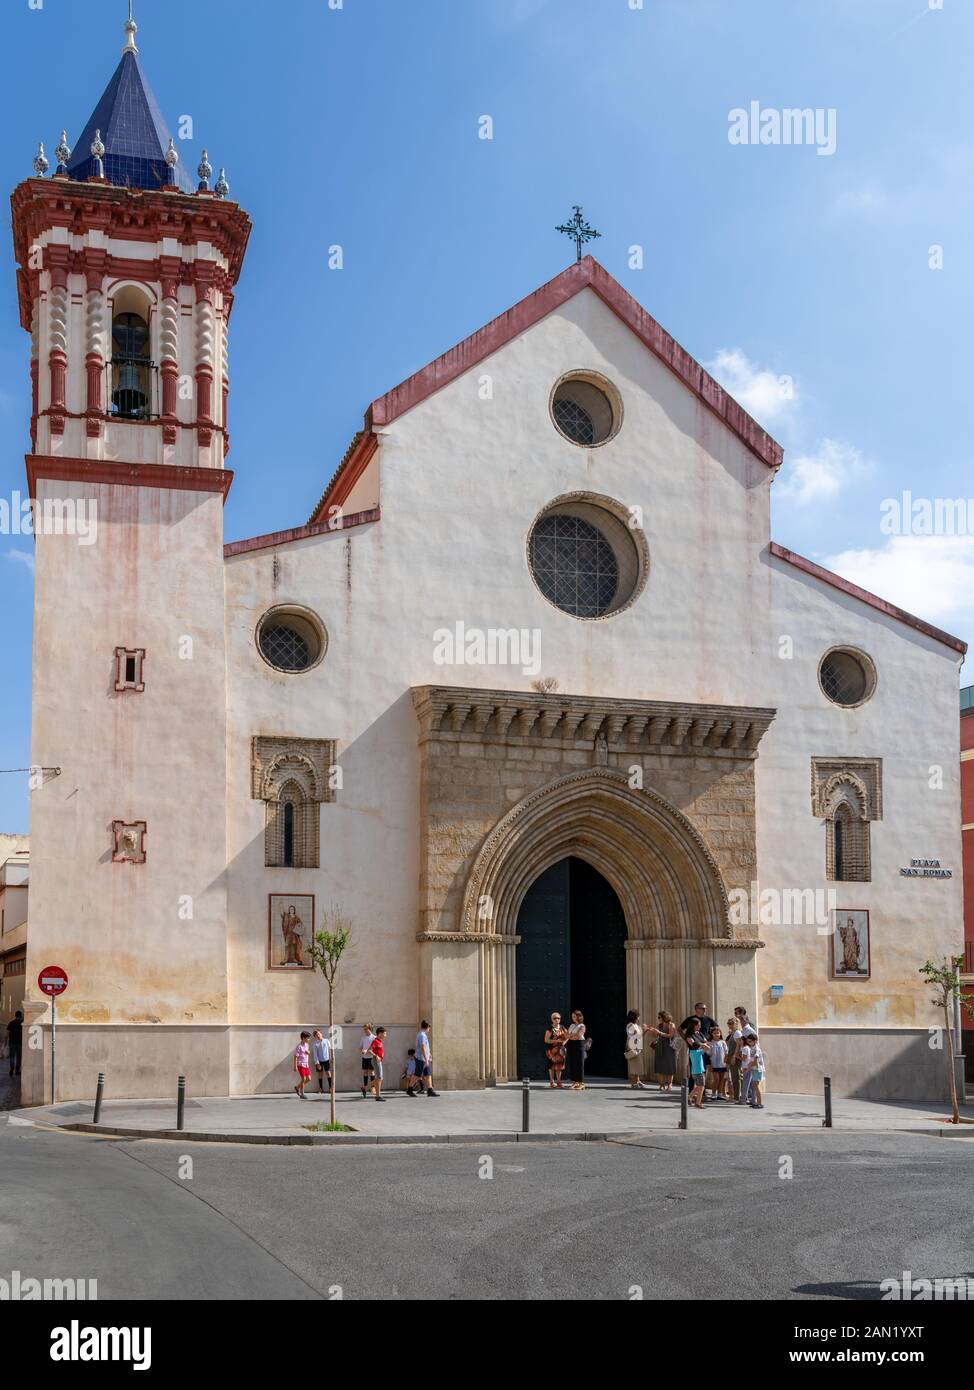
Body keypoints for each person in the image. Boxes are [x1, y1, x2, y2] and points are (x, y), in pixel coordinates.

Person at [646, 1011, 677, 1091]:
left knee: (669, 1066)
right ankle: (662, 1084)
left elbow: (671, 1035)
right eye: (658, 1017)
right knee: (660, 1066)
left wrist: (660, 1033)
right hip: (660, 1047)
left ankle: (670, 1084)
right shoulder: (659, 1025)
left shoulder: (671, 1025)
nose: (658, 1019)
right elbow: (655, 1035)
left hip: (669, 1048)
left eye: (659, 1017)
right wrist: (650, 1031)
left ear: (664, 1017)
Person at [683, 1019, 710, 1108]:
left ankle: (688, 1098)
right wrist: (703, 1045)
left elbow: (705, 1041)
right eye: (698, 1025)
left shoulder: (699, 1033)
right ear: (693, 1025)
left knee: (699, 1085)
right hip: (696, 1062)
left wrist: (703, 1045)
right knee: (701, 1086)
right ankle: (698, 1103)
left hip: (699, 1062)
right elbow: (693, 1043)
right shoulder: (689, 1035)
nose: (700, 1026)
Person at [413, 1019, 439, 1097]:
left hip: (424, 1058)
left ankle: (430, 1090)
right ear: (427, 1027)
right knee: (417, 1075)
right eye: (429, 1027)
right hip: (421, 1059)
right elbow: (422, 1047)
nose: (429, 1029)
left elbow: (426, 1047)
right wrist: (426, 1059)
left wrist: (429, 1054)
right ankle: (409, 1089)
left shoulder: (422, 1034)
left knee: (428, 1074)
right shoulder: (422, 1035)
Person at [706, 1026, 731, 1100]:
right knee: (716, 1079)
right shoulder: (710, 1043)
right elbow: (708, 1054)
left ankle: (719, 1094)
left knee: (722, 1079)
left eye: (718, 1033)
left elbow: (726, 1053)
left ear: (720, 1034)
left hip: (722, 1064)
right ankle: (713, 1094)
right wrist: (709, 1064)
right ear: (712, 1034)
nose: (716, 1034)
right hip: (714, 1064)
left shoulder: (723, 1042)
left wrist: (726, 1063)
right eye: (714, 1033)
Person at [545, 1012, 568, 1088]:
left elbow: (568, 1036)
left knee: (559, 1066)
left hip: (560, 1050)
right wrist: (557, 1041)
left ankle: (558, 1081)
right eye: (555, 1018)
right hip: (552, 1050)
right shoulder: (550, 1029)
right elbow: (546, 1040)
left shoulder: (562, 1027)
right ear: (552, 1019)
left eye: (558, 1018)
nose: (557, 1020)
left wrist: (564, 1042)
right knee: (552, 1066)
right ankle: (552, 1082)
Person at [744, 1031, 766, 1109]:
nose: (749, 1043)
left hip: (757, 1069)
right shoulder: (752, 1048)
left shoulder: (756, 1049)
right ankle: (757, 1102)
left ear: (755, 1041)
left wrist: (748, 1068)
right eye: (748, 1042)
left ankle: (759, 1103)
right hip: (754, 1069)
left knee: (756, 1086)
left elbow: (755, 1060)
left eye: (750, 1041)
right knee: (754, 1086)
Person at [624, 1010, 646, 1088]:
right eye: (638, 1016)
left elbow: (639, 1036)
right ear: (635, 1017)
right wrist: (644, 1030)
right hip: (632, 1046)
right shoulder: (631, 1025)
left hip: (636, 1046)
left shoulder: (634, 1025)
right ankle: (634, 1083)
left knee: (637, 1064)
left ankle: (638, 1081)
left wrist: (644, 1031)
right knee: (634, 1064)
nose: (639, 1018)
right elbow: (636, 1036)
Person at [566, 1010, 587, 1090]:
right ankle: (575, 1082)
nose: (573, 1018)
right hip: (572, 1044)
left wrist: (570, 1036)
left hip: (579, 1044)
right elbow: (566, 1035)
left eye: (574, 1016)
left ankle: (581, 1083)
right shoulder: (571, 1025)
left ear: (579, 1017)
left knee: (579, 1063)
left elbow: (578, 1036)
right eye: (572, 1016)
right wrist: (571, 1036)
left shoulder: (582, 1026)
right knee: (573, 1063)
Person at [312, 1027, 333, 1099]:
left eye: (318, 1034)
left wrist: (331, 1058)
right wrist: (317, 1063)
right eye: (316, 1035)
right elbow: (315, 1054)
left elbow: (330, 1050)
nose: (318, 1035)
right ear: (314, 1037)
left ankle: (330, 1088)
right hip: (319, 1061)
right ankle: (320, 1088)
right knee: (320, 1074)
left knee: (328, 1073)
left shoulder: (326, 1041)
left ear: (321, 1033)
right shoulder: (315, 1044)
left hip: (326, 1060)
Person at [726, 1016, 743, 1101]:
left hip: (735, 1057)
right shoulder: (733, 1033)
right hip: (731, 1055)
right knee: (733, 1077)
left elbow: (738, 1045)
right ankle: (736, 1096)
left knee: (736, 1077)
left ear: (736, 1024)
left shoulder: (737, 1033)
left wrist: (734, 1057)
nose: (730, 1025)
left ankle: (737, 1097)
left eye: (731, 1023)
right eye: (729, 1023)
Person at [293, 1030, 312, 1099]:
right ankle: (302, 1094)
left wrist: (308, 1052)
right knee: (303, 1079)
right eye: (308, 1038)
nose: (309, 1039)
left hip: (306, 1064)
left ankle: (297, 1087)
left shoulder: (307, 1045)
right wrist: (295, 1066)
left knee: (309, 1079)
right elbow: (295, 1056)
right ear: (304, 1038)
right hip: (300, 1064)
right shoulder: (299, 1046)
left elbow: (308, 1052)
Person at [737, 1033, 755, 1106]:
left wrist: (736, 1056)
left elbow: (744, 1059)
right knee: (749, 1084)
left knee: (745, 1084)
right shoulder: (748, 1048)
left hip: (746, 1067)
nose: (739, 1042)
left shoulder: (744, 1048)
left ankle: (743, 1099)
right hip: (748, 1067)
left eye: (740, 1040)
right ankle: (749, 1099)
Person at [370, 1026, 387, 1101]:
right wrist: (376, 1056)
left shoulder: (379, 1041)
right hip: (376, 1060)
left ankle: (364, 1088)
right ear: (380, 1034)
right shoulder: (375, 1041)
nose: (385, 1035)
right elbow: (369, 1050)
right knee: (379, 1078)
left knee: (379, 1078)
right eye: (384, 1033)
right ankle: (377, 1096)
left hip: (379, 1061)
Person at [359, 1023, 376, 1097]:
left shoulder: (374, 1037)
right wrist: (362, 1050)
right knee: (365, 1072)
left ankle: (373, 1087)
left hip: (371, 1058)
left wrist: (368, 1051)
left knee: (372, 1073)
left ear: (370, 1029)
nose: (365, 1030)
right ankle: (365, 1087)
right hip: (364, 1058)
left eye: (366, 1029)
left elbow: (375, 1048)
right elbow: (360, 1047)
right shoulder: (363, 1038)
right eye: (364, 1029)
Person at [7, 1010, 23, 1077]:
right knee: (18, 1057)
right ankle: (17, 1070)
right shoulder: (22, 1023)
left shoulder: (11, 1022)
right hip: (19, 1043)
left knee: (12, 1056)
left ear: (15, 1015)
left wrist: (7, 1040)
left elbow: (8, 1032)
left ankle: (12, 1067)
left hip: (12, 1042)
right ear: (20, 1015)